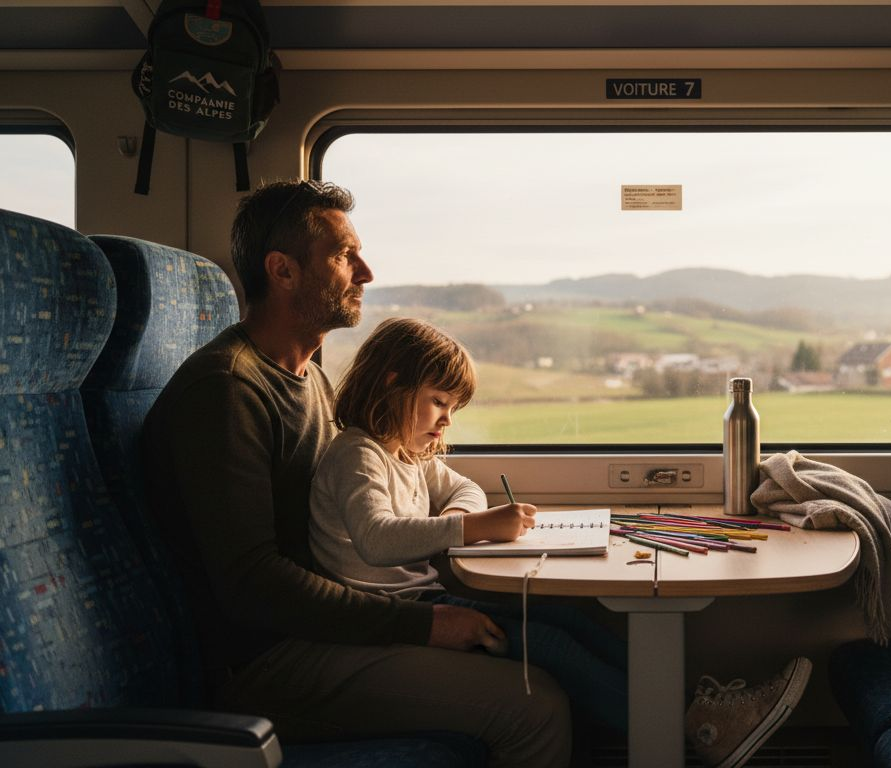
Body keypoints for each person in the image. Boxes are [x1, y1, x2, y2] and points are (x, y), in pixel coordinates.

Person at [142, 179, 570, 767]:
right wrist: (421, 624)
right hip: (272, 659)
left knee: (547, 636)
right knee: (535, 705)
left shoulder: (309, 378)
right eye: (344, 256)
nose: (365, 272)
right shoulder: (228, 390)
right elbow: (252, 585)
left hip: (323, 627)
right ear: (283, 270)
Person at [306, 316, 814, 767]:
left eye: (453, 408)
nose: (446, 420)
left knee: (568, 617)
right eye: (439, 402)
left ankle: (695, 713)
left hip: (422, 600)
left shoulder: (407, 454)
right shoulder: (359, 454)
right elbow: (375, 540)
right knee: (545, 641)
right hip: (387, 617)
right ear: (392, 383)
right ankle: (693, 728)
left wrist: (462, 511)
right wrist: (472, 528)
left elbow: (459, 486)